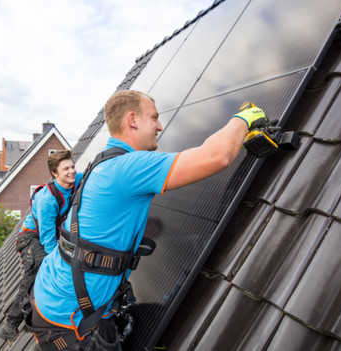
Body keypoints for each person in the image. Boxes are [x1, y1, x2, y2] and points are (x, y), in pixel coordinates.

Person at [30, 90, 267, 350]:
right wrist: (242, 119)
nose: (160, 126)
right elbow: (217, 156)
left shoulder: (102, 163)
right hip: (68, 321)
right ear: (133, 120)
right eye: (154, 118)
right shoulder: (129, 167)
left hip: (56, 295)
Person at [0, 149, 83, 341]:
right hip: (32, 238)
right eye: (66, 169)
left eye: (72, 167)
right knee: (41, 268)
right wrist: (58, 262)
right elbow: (47, 240)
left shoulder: (75, 181)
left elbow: (92, 177)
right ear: (54, 173)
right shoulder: (47, 199)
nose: (71, 171)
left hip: (53, 234)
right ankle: (11, 324)